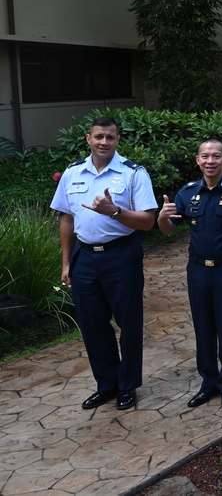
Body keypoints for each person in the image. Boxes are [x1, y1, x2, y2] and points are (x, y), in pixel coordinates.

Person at [51, 115, 157, 411]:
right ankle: (107, 384)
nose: (103, 142)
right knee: (92, 323)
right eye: (98, 136)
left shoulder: (133, 173)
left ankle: (127, 385)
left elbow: (147, 222)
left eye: (110, 137)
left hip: (121, 255)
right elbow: (67, 218)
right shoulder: (73, 173)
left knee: (129, 322)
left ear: (118, 140)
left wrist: (114, 211)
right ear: (88, 139)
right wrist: (66, 262)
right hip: (84, 256)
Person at [158, 139, 222, 408]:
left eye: (216, 156)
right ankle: (208, 383)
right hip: (198, 270)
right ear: (198, 160)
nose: (210, 161)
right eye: (205, 156)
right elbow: (168, 229)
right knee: (203, 327)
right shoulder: (187, 193)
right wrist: (161, 217)